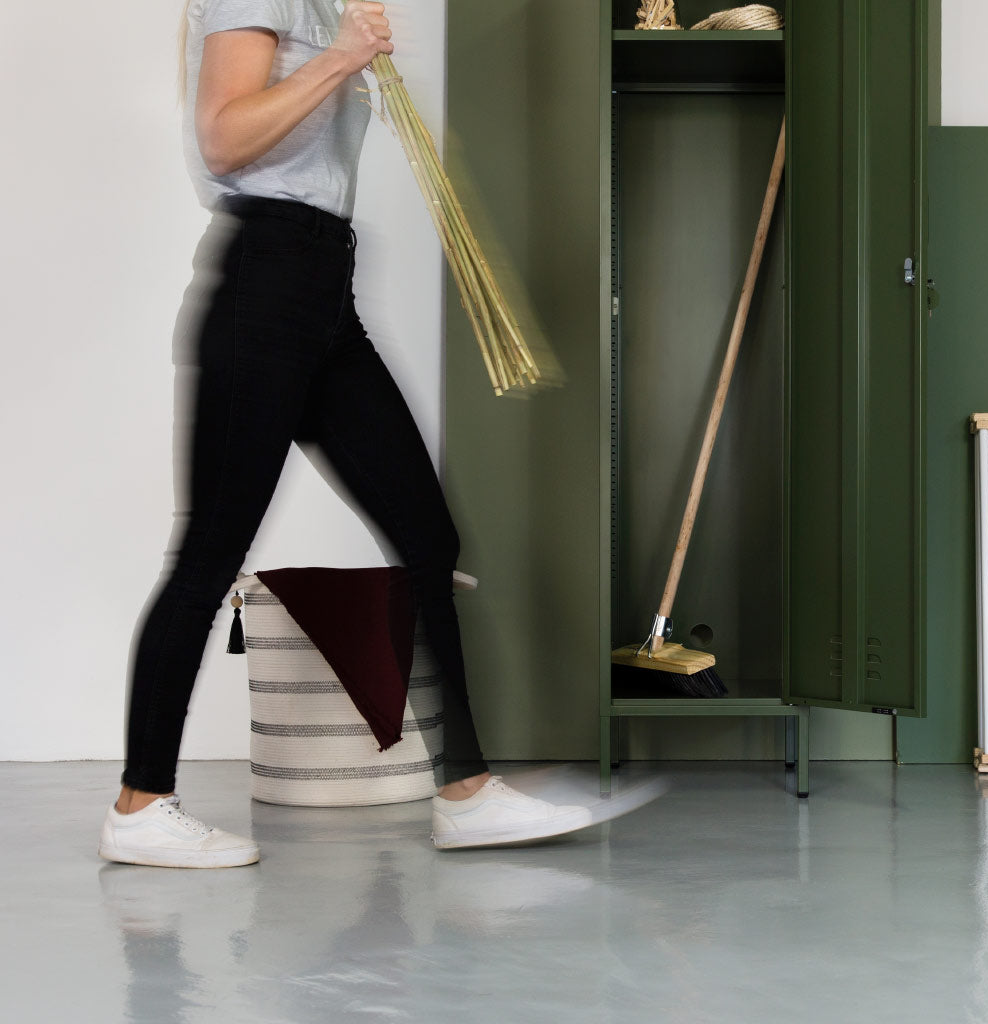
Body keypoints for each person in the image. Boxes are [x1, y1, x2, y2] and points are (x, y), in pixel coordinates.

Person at [98, 0, 591, 868]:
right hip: (265, 290)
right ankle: (141, 805)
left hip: (326, 294)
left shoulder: (322, 5)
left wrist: (346, 50)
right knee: (211, 556)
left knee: (426, 539)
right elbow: (223, 138)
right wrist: (344, 58)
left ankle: (464, 794)